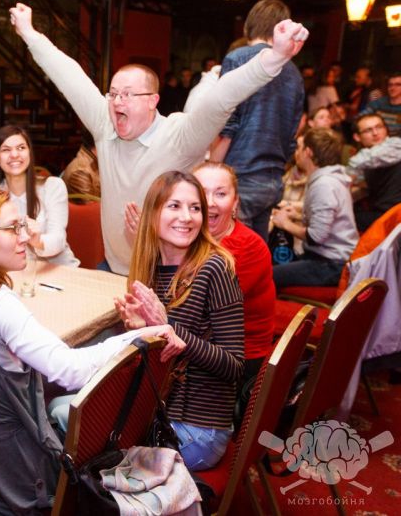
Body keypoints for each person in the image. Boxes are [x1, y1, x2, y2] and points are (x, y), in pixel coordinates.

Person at [0, 186, 182, 514]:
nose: (25, 236)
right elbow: (71, 371)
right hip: (4, 477)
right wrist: (142, 335)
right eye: (13, 228)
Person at [9, 2, 308, 274]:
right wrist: (29, 33)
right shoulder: (105, 124)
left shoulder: (179, 136)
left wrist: (274, 57)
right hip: (113, 268)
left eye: (128, 95)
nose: (117, 102)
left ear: (153, 101)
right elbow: (69, 76)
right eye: (113, 94)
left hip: (165, 276)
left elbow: (222, 98)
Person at [115, 171, 244, 471]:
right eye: (174, 206)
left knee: (88, 447)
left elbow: (234, 366)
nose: (187, 217)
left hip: (199, 430)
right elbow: (156, 360)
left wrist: (169, 328)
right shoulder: (150, 268)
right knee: (65, 413)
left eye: (195, 208)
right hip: (161, 413)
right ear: (152, 214)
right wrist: (138, 332)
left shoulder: (215, 268)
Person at [209, 0, 305, 242]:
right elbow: (292, 134)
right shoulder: (294, 73)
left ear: (248, 26)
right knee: (257, 255)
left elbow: (227, 122)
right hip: (273, 179)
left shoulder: (238, 58)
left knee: (229, 256)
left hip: (240, 176)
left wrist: (212, 170)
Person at [192, 163, 274, 385]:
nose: (210, 202)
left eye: (220, 194)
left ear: (235, 202)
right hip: (206, 345)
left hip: (238, 361)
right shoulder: (190, 238)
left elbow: (197, 313)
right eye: (202, 192)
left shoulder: (246, 247)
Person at [272, 128, 358, 289]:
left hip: (332, 264)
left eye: (299, 148)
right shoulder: (330, 178)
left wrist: (285, 224)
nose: (296, 153)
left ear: (308, 152)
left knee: (266, 275)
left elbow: (316, 237)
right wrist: (298, 215)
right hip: (334, 259)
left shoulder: (324, 184)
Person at [0, 125, 79, 266]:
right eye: (6, 150)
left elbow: (58, 239)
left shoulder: (53, 186)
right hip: (16, 271)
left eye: (21, 148)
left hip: (58, 268)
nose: (14, 154)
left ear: (29, 154)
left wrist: (38, 241)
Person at [349, 114, 401, 231]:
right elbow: (358, 179)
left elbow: (371, 157)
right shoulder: (368, 157)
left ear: (386, 129)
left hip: (393, 216)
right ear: (357, 137)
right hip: (387, 214)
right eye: (368, 130)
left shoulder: (395, 145)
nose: (375, 133)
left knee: (343, 220)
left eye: (379, 127)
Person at [361, 71, 401, 137]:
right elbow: (360, 118)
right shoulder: (378, 103)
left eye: (398, 85)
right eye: (390, 85)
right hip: (377, 138)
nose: (392, 88)